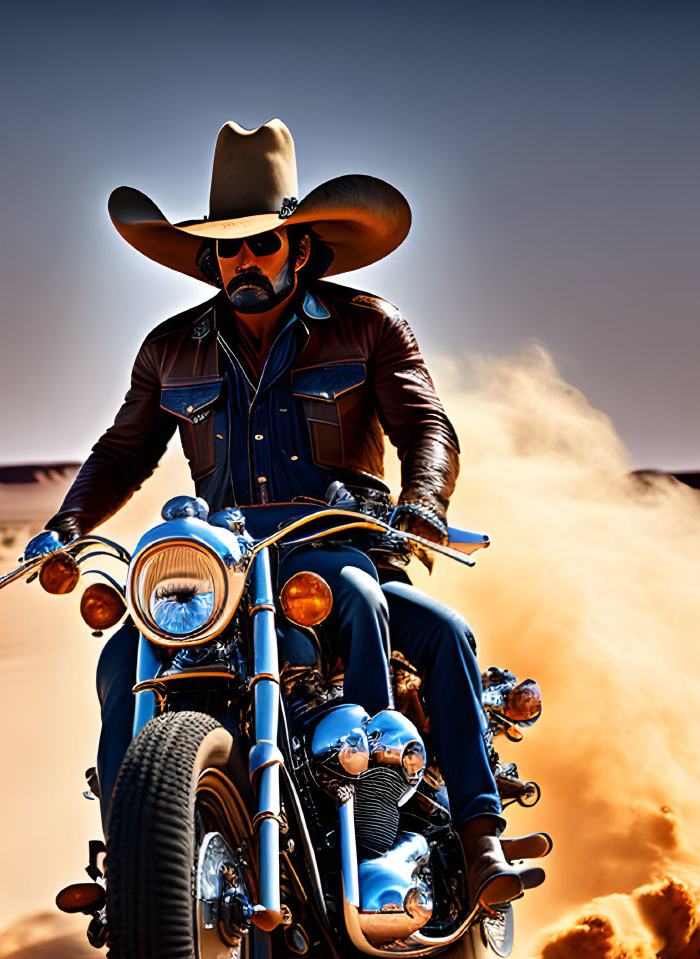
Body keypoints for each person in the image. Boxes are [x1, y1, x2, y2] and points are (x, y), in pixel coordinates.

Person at [29, 119, 532, 909]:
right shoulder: (170, 348)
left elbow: (425, 426)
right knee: (122, 655)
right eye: (229, 248)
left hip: (339, 543)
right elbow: (124, 450)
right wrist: (66, 527)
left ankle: (468, 838)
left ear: (299, 245)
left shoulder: (367, 325)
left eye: (262, 242)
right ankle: (132, 858)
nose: (245, 260)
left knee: (432, 630)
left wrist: (422, 504)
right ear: (210, 258)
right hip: (219, 564)